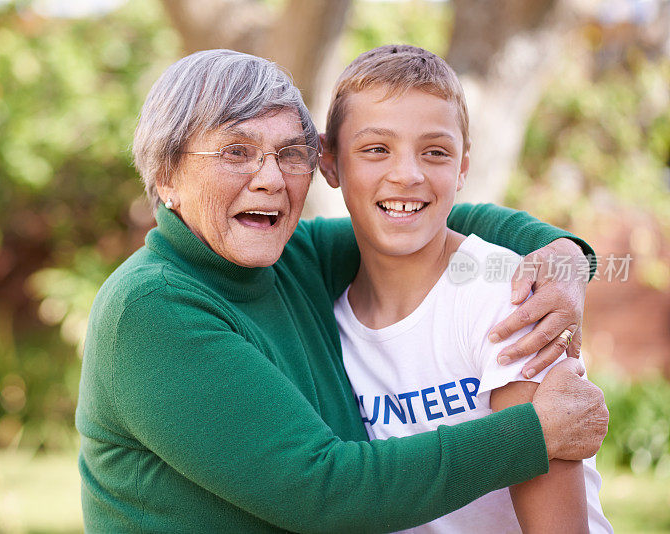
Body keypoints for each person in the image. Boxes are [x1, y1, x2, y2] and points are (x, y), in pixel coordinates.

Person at [75, 49, 608, 533]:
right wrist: (533, 435)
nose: (270, 178)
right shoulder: (152, 308)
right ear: (166, 175)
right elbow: (323, 491)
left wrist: (561, 254)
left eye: (288, 153)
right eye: (236, 151)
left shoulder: (292, 258)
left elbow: (422, 219)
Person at [321, 44, 612, 533]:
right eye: (376, 149)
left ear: (462, 168)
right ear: (330, 163)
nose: (407, 174)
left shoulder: (505, 296)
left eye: (435, 152)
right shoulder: (328, 316)